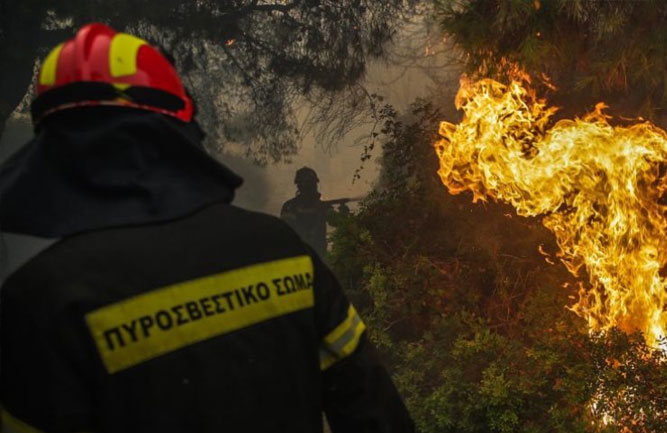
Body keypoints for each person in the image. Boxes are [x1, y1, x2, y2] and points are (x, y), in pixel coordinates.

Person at [0, 23, 414, 433]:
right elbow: (373, 410)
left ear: (53, 151)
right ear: (179, 129)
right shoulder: (281, 250)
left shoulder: (38, 300)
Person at [280, 167, 330, 255]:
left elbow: (336, 221)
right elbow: (286, 232)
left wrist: (342, 212)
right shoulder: (290, 207)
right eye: (309, 184)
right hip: (297, 255)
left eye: (313, 184)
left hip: (318, 256)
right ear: (300, 186)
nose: (313, 187)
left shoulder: (322, 206)